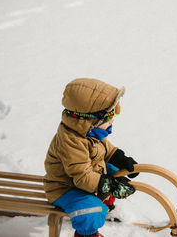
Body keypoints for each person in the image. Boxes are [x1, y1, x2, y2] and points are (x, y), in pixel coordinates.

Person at [44, 78, 139, 237]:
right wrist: (108, 185)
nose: (113, 120)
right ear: (90, 119)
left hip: (84, 179)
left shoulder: (88, 132)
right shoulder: (71, 141)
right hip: (65, 188)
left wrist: (120, 158)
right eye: (109, 118)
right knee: (93, 210)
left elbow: (104, 149)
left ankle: (107, 204)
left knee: (115, 170)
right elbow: (81, 177)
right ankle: (87, 233)